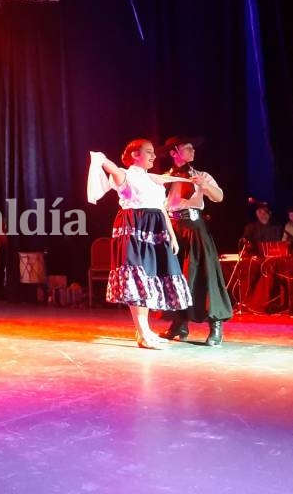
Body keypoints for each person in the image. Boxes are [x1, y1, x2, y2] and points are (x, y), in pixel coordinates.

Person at [88, 140, 193, 349]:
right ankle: (144, 333)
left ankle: (144, 330)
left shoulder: (153, 180)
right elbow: (112, 168)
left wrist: (171, 235)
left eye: (153, 152)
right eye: (148, 152)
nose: (154, 156)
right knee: (137, 278)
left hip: (155, 229)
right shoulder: (125, 175)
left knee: (147, 279)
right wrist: (100, 158)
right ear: (135, 155)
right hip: (134, 227)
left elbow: (162, 209)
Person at [159, 135, 233, 346]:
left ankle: (216, 324)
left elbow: (219, 197)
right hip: (173, 230)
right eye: (188, 148)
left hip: (195, 229)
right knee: (176, 278)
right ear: (174, 152)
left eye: (193, 148)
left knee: (205, 274)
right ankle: (179, 323)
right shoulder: (165, 178)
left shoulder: (200, 175)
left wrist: (205, 186)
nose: (193, 151)